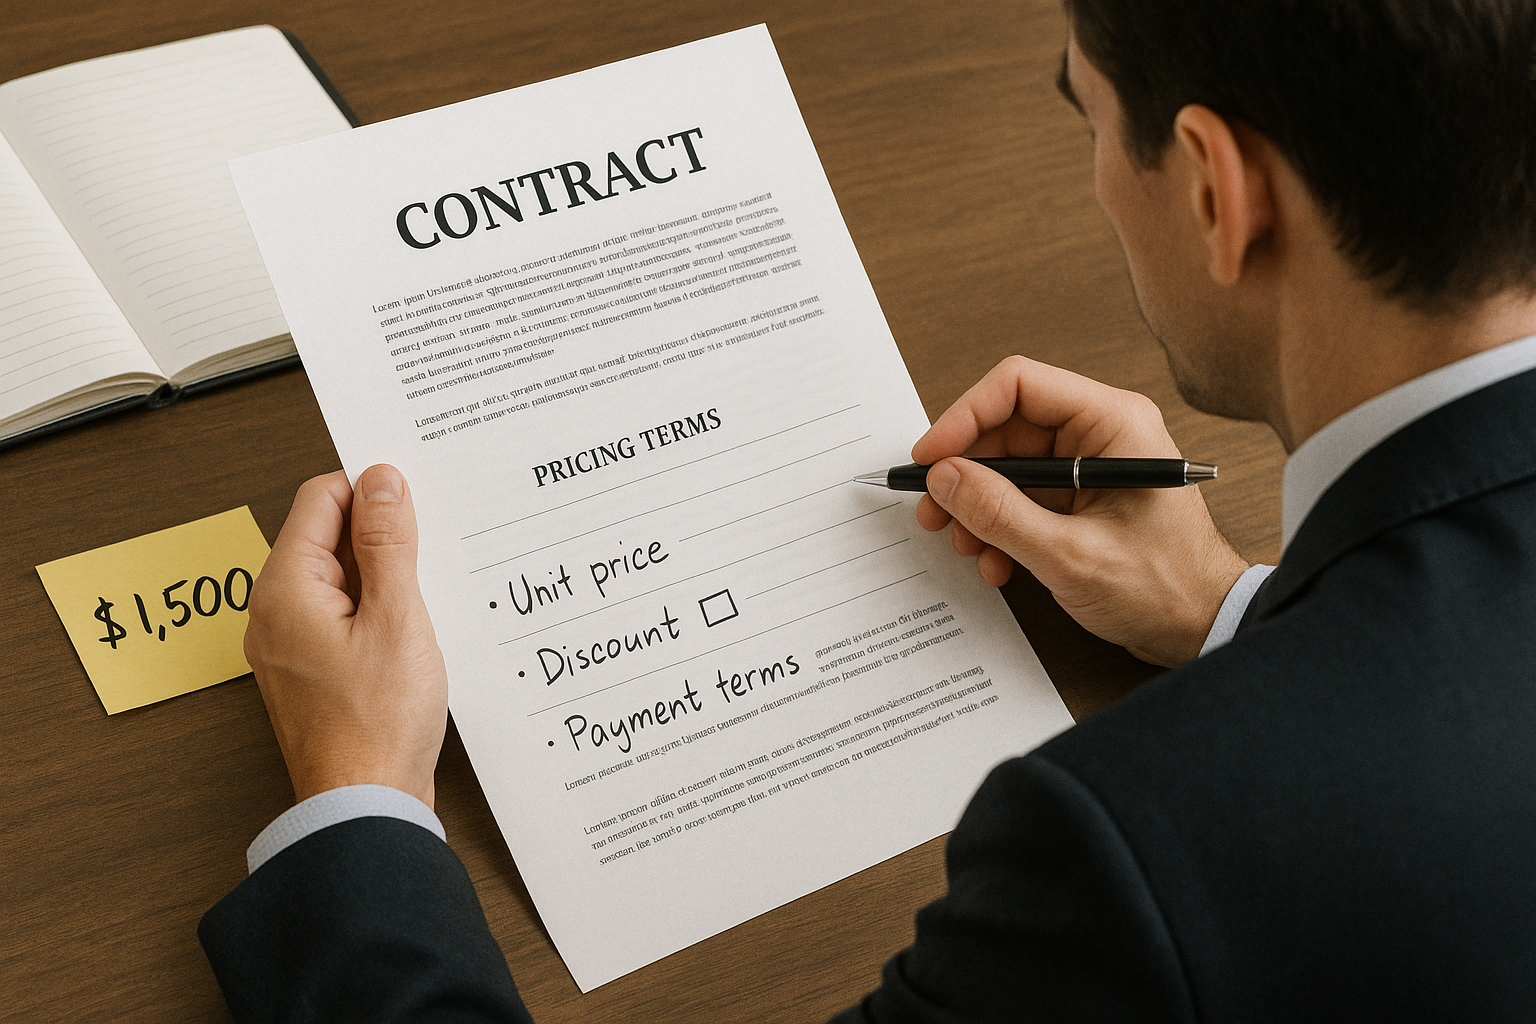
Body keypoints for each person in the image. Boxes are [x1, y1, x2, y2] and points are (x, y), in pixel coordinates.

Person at [200, 0, 1536, 1020]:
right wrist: (1231, 611)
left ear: (1212, 189)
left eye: (1084, 117)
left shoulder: (1131, 846)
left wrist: (358, 798)